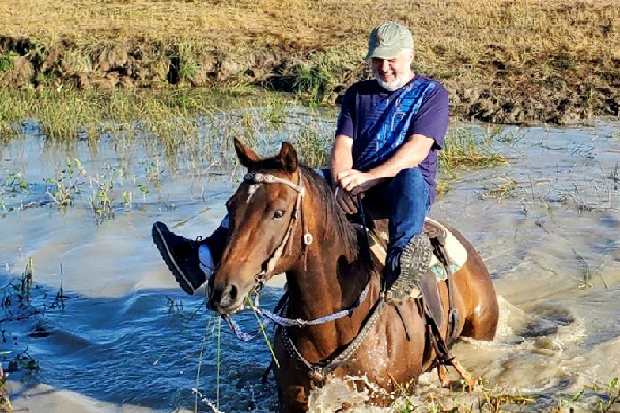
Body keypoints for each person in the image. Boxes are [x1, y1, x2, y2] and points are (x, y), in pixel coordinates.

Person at [152, 21, 448, 305]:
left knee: (409, 176)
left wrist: (369, 178)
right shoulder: (358, 94)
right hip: (355, 183)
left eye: (391, 59)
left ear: (410, 56)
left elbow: (417, 149)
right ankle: (202, 258)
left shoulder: (431, 94)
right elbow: (342, 145)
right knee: (275, 187)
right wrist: (343, 180)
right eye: (377, 60)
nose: (383, 67)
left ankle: (401, 262)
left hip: (399, 189)